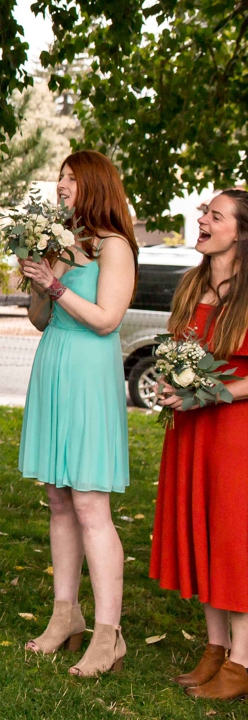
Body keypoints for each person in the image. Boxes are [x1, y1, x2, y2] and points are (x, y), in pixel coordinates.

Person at [17, 151, 136, 676]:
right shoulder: (64, 244)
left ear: (95, 185)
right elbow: (43, 320)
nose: (61, 186)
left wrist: (59, 283)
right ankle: (66, 615)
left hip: (89, 370)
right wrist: (38, 282)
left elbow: (107, 320)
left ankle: (110, 634)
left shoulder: (115, 248)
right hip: (55, 363)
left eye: (70, 179)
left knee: (90, 504)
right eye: (59, 178)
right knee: (58, 499)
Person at [151, 189, 248, 700]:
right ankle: (214, 648)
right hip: (190, 429)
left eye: (215, 215)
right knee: (203, 530)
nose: (203, 219)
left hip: (235, 430)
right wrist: (173, 385)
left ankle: (242, 660)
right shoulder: (192, 283)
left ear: (242, 232)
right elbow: (180, 351)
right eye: (203, 212)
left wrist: (212, 395)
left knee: (234, 539)